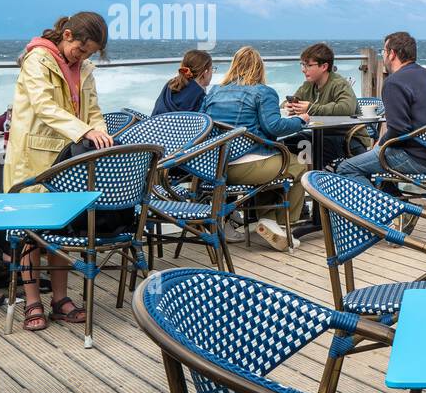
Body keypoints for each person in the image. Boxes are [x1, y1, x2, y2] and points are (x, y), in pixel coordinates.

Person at [4, 12, 111, 332]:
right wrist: (84, 132)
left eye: (89, 53)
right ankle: (33, 300)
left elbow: (93, 111)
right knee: (30, 230)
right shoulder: (37, 60)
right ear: (66, 36)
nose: (83, 57)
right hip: (32, 156)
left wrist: (102, 136)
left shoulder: (85, 68)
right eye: (81, 50)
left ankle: (61, 300)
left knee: (64, 226)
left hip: (69, 156)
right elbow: (43, 106)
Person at [202, 46, 309, 251]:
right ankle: (287, 226)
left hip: (215, 167)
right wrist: (300, 120)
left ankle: (268, 220)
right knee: (298, 165)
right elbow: (274, 126)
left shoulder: (214, 91)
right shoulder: (263, 91)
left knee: (276, 164)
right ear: (260, 68)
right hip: (248, 166)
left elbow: (202, 125)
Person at [335, 31, 426, 191]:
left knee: (346, 168)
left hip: (414, 158)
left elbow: (399, 129)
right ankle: (395, 203)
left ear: (392, 54)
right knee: (376, 159)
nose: (383, 55)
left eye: (384, 51)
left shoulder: (394, 82)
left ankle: (377, 210)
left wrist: (379, 145)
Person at [289, 42, 368, 164]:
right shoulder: (308, 85)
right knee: (288, 143)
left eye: (309, 65)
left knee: (308, 146)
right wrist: (290, 106)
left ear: (324, 66)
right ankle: (305, 177)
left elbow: (346, 108)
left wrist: (310, 108)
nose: (304, 70)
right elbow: (291, 100)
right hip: (321, 135)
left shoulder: (339, 84)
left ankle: (317, 176)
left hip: (348, 139)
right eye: (303, 65)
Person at [152, 49, 213, 115]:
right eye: (212, 69)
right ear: (205, 72)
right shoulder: (200, 97)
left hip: (153, 124)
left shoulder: (170, 84)